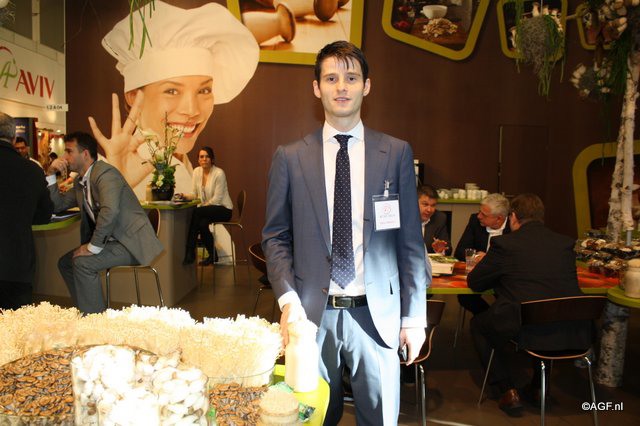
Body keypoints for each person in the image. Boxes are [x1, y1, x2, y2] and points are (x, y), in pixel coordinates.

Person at [262, 41, 429, 425]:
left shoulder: (396, 153)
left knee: (380, 418)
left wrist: (414, 316)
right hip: (310, 317)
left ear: (366, 86)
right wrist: (288, 299)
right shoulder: (290, 157)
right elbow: (275, 236)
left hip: (377, 316)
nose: (341, 87)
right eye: (331, 78)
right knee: (311, 417)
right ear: (316, 87)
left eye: (351, 78)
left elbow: (410, 243)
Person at [89, 0, 259, 200]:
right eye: (172, 91)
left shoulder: (180, 163)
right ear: (134, 97)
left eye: (204, 90)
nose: (192, 110)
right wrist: (116, 186)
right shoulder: (129, 174)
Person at [467, 193, 589, 415]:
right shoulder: (564, 243)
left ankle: (507, 390)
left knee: (479, 325)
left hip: (527, 327)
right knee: (546, 313)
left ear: (513, 217)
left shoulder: (504, 244)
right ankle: (539, 388)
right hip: (572, 328)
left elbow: (475, 283)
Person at [46, 132, 163, 314]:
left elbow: (110, 212)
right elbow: (57, 205)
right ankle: (87, 311)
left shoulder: (106, 173)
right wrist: (50, 174)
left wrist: (91, 247)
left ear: (85, 154)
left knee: (83, 263)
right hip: (112, 241)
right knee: (65, 263)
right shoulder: (80, 182)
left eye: (69, 151)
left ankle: (95, 320)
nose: (64, 157)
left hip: (130, 243)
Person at [0, 113, 53, 310]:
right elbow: (44, 215)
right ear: (14, 138)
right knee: (17, 323)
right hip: (16, 262)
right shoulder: (32, 170)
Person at [454, 193, 510, 315]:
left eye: (484, 215)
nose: (479, 216)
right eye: (479, 211)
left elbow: (513, 257)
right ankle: (486, 317)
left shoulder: (512, 226)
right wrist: (476, 257)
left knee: (508, 298)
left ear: (499, 219)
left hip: (502, 277)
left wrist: (488, 259)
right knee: (465, 297)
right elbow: (460, 251)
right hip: (480, 274)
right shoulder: (475, 220)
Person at [179, 147, 233, 266]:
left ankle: (190, 250)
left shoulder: (219, 173)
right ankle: (213, 255)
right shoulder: (196, 172)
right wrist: (184, 196)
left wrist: (202, 207)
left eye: (207, 156)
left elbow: (217, 199)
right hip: (208, 209)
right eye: (201, 157)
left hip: (223, 209)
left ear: (212, 159)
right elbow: (194, 194)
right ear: (198, 160)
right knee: (202, 224)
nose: (204, 159)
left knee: (197, 212)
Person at [419, 184, 451, 255]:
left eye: (433, 205)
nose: (429, 210)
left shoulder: (439, 218)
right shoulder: (404, 217)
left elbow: (448, 249)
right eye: (425, 204)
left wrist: (441, 250)